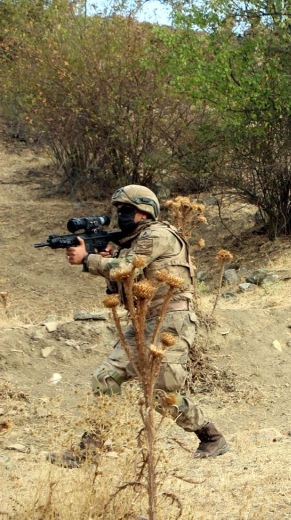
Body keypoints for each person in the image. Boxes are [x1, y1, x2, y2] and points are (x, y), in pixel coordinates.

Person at [48, 185, 229, 467]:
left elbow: (131, 267)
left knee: (160, 395)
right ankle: (89, 450)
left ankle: (211, 436)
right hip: (142, 320)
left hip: (171, 319)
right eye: (118, 211)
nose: (121, 216)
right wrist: (104, 263)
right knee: (105, 377)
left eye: (126, 211)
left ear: (143, 213)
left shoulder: (157, 234)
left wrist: (89, 259)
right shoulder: (131, 242)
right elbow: (122, 284)